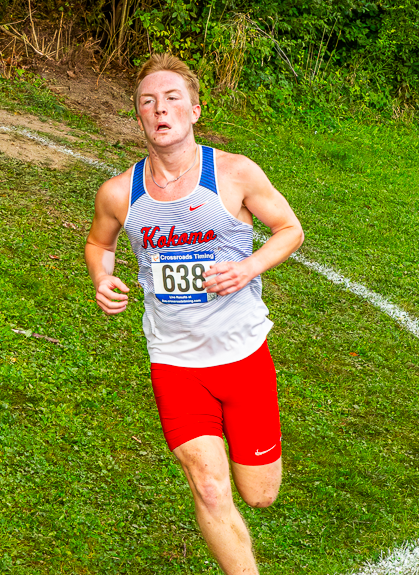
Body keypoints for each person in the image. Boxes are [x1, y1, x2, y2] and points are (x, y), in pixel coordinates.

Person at [84, 53, 303, 574]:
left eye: (172, 98)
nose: (160, 108)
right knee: (208, 485)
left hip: (243, 354)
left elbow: (290, 230)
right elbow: (99, 243)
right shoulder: (119, 192)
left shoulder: (233, 173)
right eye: (148, 101)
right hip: (175, 361)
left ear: (195, 110)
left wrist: (248, 267)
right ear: (139, 117)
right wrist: (102, 278)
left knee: (260, 494)